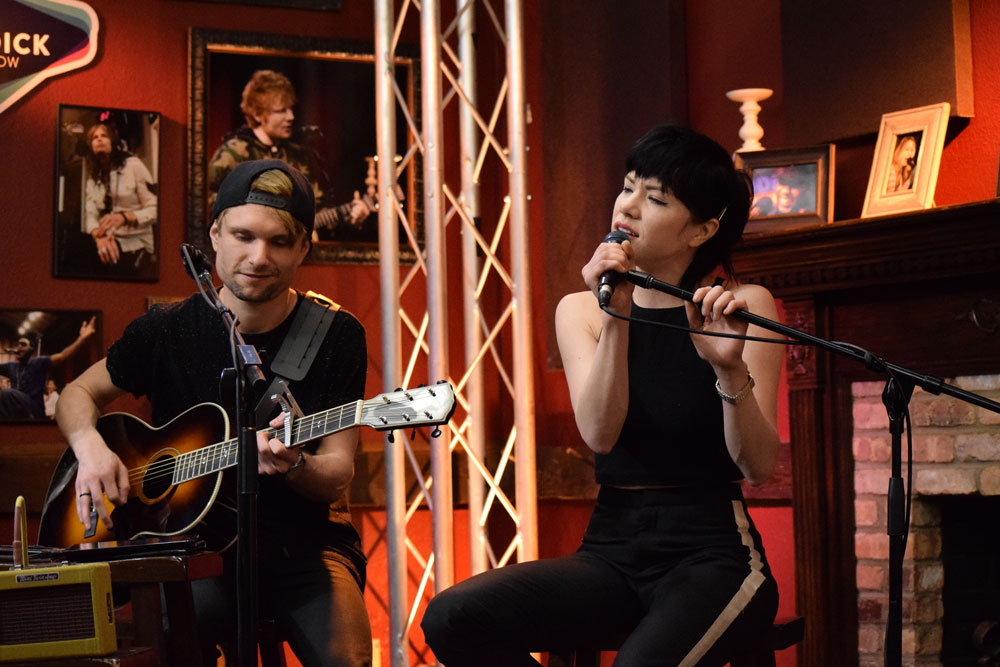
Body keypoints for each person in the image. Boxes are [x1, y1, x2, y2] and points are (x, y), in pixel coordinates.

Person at [421, 125, 784, 666]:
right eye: (628, 186)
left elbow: (757, 468)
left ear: (701, 229)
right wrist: (618, 314)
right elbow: (599, 433)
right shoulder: (582, 309)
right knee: (453, 617)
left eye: (655, 198)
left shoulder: (740, 305)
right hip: (611, 546)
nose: (628, 206)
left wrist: (727, 370)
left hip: (714, 552)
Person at [56, 159, 373, 666]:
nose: (258, 256)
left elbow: (337, 471)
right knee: (174, 646)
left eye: (279, 242)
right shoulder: (166, 329)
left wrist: (294, 463)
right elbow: (77, 394)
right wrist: (90, 449)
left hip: (305, 548)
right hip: (191, 548)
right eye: (244, 236)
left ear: (303, 248)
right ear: (215, 236)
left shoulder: (336, 334)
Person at [208, 69, 372, 241]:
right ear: (257, 114)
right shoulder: (233, 152)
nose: (291, 117)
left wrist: (349, 217)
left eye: (291, 109)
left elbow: (317, 210)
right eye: (281, 110)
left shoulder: (298, 155)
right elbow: (207, 202)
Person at [80, 122, 158, 277]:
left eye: (104, 136)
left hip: (137, 242)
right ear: (91, 146)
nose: (99, 139)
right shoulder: (93, 176)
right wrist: (98, 236)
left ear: (113, 141)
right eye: (95, 137)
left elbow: (156, 209)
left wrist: (125, 217)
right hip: (109, 239)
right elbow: (90, 213)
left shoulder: (133, 165)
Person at [0, 318, 96, 420]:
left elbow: (62, 356)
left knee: (6, 393)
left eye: (23, 345)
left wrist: (81, 339)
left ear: (31, 349)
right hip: (17, 410)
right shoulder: (11, 366)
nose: (19, 347)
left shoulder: (38, 362)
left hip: (34, 410)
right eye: (17, 345)